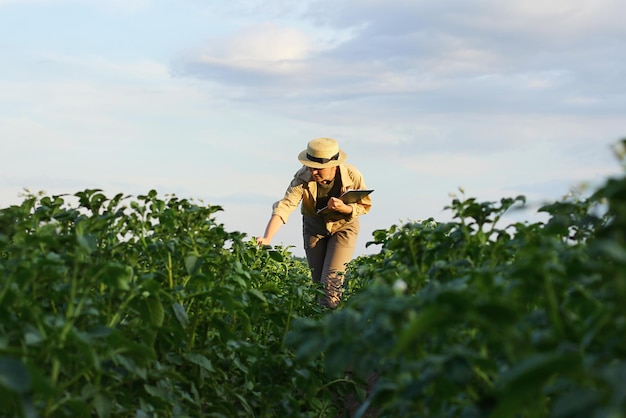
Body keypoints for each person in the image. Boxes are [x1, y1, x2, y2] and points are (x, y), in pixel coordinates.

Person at [257, 137, 372, 308]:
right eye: (310, 167)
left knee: (331, 285)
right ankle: (319, 324)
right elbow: (285, 206)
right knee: (318, 286)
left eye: (318, 169)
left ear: (333, 165)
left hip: (344, 227)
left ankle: (330, 329)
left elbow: (364, 205)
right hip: (314, 228)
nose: (313, 172)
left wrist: (345, 208)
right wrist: (267, 238)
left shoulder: (352, 175)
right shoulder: (302, 178)